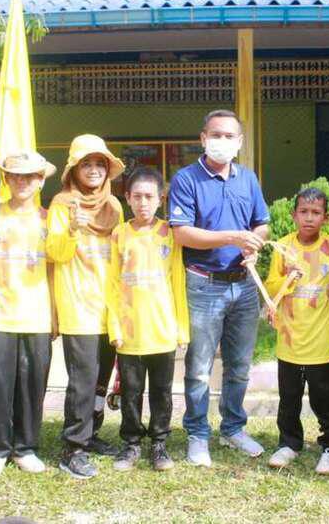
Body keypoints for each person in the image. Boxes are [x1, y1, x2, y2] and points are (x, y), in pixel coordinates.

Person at [168, 109, 270, 467]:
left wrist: (254, 243)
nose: (222, 141)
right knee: (199, 367)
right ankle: (198, 433)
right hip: (204, 284)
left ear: (240, 142)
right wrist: (231, 237)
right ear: (203, 138)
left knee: (239, 365)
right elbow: (181, 233)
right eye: (216, 135)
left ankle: (233, 428)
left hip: (243, 286)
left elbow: (262, 224)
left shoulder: (248, 179)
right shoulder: (186, 179)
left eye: (229, 136)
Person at [0, 151, 58, 478]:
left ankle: (26, 447)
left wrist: (55, 313)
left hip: (36, 312)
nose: (23, 182)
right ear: (6, 180)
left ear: (40, 181)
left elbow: (56, 267)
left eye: (31, 176)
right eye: (16, 176)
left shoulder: (49, 220)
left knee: (32, 383)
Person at [47, 134, 125, 479]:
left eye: (99, 164)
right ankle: (73, 448)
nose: (94, 170)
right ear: (73, 170)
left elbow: (120, 253)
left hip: (109, 306)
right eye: (86, 164)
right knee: (83, 380)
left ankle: (91, 433)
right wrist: (72, 230)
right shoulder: (62, 204)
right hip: (78, 305)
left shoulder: (114, 207)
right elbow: (55, 253)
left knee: (100, 380)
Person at [108, 167, 189, 472]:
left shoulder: (170, 233)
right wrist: (114, 326)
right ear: (127, 198)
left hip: (162, 330)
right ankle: (130, 443)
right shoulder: (119, 234)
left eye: (149, 196)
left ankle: (159, 443)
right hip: (130, 331)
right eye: (137, 196)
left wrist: (181, 328)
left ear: (161, 199)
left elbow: (177, 281)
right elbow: (112, 284)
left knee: (161, 392)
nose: (143, 203)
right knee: (131, 391)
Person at [264, 187, 329, 475]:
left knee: (326, 399)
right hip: (289, 339)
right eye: (304, 212)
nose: (309, 218)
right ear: (294, 215)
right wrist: (287, 278)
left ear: (326, 217)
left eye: (316, 213)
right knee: (289, 397)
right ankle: (289, 442)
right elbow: (271, 289)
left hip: (321, 341)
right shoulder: (283, 248)